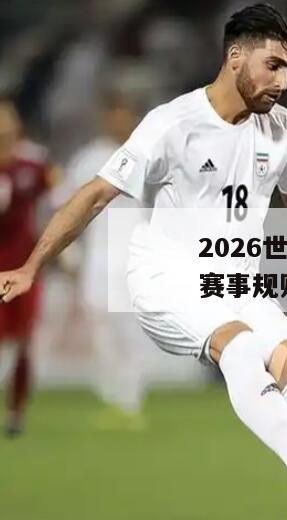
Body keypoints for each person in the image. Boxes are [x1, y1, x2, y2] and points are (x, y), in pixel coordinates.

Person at [0, 4, 287, 519]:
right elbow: (96, 194)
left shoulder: (280, 127)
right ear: (235, 57)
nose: (283, 81)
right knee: (240, 347)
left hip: (235, 285)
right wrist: (32, 266)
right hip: (167, 281)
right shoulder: (174, 124)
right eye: (273, 65)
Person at [60, 93, 149, 429]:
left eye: (125, 115)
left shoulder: (149, 156)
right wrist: (68, 251)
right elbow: (68, 205)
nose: (119, 121)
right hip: (98, 257)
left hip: (136, 257)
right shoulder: (89, 159)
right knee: (101, 331)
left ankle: (130, 402)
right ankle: (111, 397)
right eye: (114, 115)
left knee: (130, 331)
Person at [0, 96, 55, 437]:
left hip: (23, 270)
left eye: (6, 118)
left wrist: (58, 252)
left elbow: (55, 205)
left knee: (23, 341)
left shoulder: (33, 166)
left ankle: (16, 411)